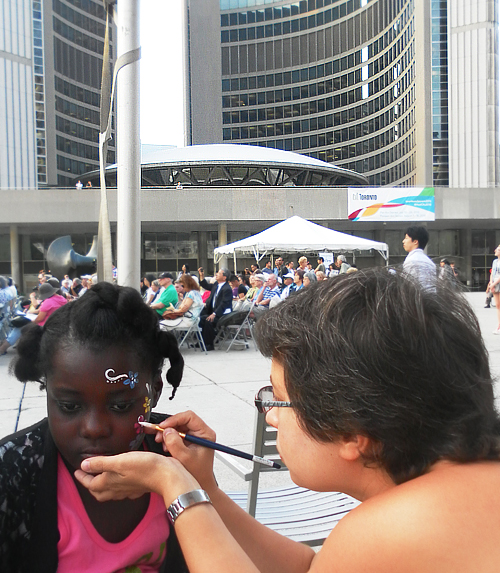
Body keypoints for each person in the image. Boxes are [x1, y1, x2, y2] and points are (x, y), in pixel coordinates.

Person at [76, 269, 500, 573]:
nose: (271, 418)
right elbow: (313, 567)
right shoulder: (466, 481)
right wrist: (206, 489)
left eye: (278, 400)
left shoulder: (395, 529)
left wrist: (176, 488)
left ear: (354, 431)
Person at [0, 283, 187, 572]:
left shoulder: (181, 456)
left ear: (155, 391)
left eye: (121, 406)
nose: (94, 428)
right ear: (48, 391)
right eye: (69, 407)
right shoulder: (11, 473)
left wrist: (197, 487)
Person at [0, 282, 67, 356]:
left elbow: (39, 319)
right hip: (56, 323)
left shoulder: (48, 302)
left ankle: (2, 348)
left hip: (45, 325)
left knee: (19, 327)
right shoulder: (62, 299)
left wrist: (31, 319)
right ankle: (4, 345)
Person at [198, 267, 232, 351]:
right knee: (199, 318)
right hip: (212, 310)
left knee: (208, 320)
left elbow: (223, 304)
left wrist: (214, 314)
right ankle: (202, 341)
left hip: (222, 314)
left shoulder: (227, 289)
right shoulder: (216, 284)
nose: (216, 274)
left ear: (224, 277)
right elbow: (206, 285)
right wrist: (202, 276)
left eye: (219, 273)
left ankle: (209, 344)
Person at [489, 245, 500, 333]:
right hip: (494, 283)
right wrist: (491, 283)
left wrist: (493, 284)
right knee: (497, 305)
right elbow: (492, 273)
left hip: (497, 282)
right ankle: (499, 326)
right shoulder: (495, 261)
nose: (495, 250)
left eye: (498, 249)